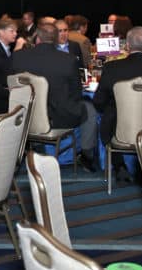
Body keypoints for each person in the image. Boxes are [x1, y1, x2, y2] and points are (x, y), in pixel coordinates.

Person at [12, 22, 99, 170]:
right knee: (90, 109)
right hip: (59, 118)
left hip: (24, 115)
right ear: (56, 39)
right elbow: (76, 93)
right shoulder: (68, 60)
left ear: (37, 38)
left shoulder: (18, 57)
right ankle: (87, 155)